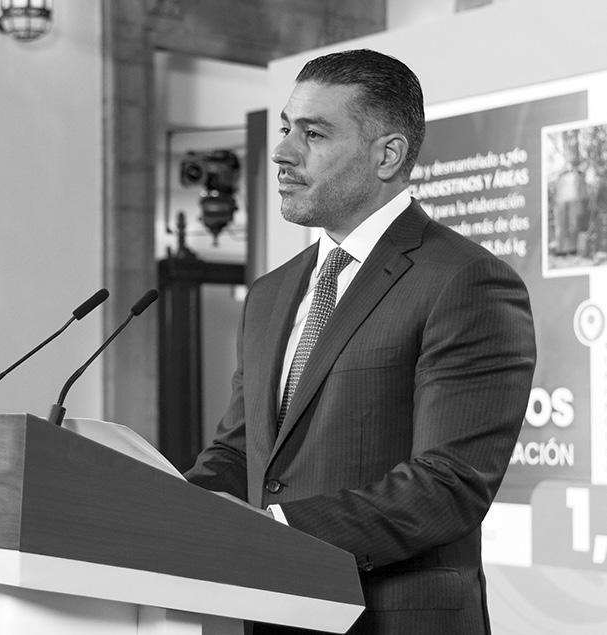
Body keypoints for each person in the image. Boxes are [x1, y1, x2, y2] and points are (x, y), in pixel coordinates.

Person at [185, 49, 536, 635]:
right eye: (286, 129)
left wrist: (275, 530)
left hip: (389, 620)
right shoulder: (270, 294)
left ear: (387, 156)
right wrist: (174, 512)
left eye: (314, 134)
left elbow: (447, 486)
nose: (282, 152)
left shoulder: (465, 281)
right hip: (271, 616)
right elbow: (239, 451)